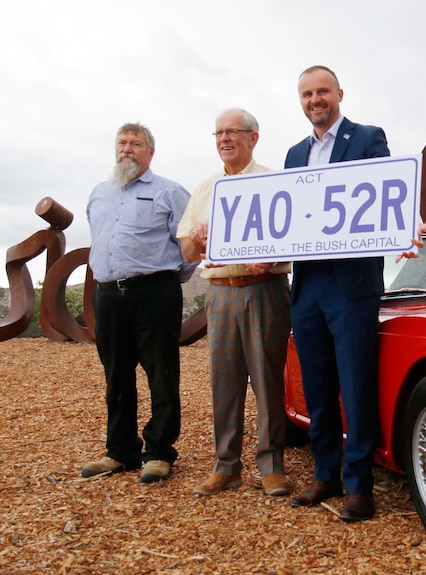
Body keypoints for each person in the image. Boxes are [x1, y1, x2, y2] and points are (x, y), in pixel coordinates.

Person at [283, 65, 391, 522]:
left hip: (352, 286)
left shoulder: (367, 138)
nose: (315, 100)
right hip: (307, 285)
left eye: (322, 91)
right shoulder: (293, 154)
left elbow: (389, 194)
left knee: (355, 385)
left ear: (339, 94)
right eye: (307, 94)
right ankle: (324, 475)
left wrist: (408, 222)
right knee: (318, 387)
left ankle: (359, 487)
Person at [178, 108, 294, 498]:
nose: (225, 139)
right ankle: (226, 465)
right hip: (221, 292)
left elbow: (293, 237)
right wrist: (196, 236)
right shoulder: (205, 188)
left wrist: (274, 257)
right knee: (224, 382)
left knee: (267, 379)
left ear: (253, 138)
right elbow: (187, 249)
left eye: (233, 132)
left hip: (265, 289)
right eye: (219, 133)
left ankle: (272, 466)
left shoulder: (275, 181)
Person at [83, 122, 197, 483]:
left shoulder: (169, 192)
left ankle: (160, 452)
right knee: (116, 375)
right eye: (122, 142)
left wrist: (165, 282)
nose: (127, 149)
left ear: (150, 151)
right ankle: (120, 451)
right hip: (108, 295)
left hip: (155, 294)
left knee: (161, 374)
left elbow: (190, 246)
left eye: (135, 144)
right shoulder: (99, 193)